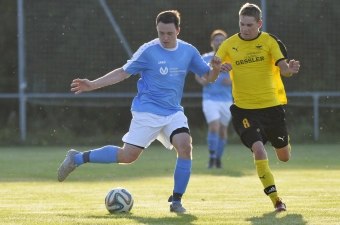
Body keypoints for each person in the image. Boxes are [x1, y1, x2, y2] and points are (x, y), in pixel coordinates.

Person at [57, 10, 231, 213]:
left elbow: (209, 77)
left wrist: (217, 69)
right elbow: (123, 72)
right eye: (161, 33)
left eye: (169, 33)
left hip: (173, 111)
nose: (165, 38)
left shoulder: (189, 51)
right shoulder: (148, 50)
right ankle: (77, 158)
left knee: (185, 146)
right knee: (128, 156)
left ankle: (176, 201)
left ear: (178, 31)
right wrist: (92, 84)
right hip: (147, 111)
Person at [215, 3, 300, 212]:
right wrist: (219, 67)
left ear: (259, 23)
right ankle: (276, 201)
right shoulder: (229, 44)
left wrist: (290, 70)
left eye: (249, 25)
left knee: (284, 157)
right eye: (242, 24)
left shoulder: (270, 41)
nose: (245, 29)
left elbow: (284, 70)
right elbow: (213, 69)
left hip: (271, 108)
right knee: (259, 149)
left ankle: (284, 142)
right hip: (244, 110)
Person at [194, 29, 232, 169]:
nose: (219, 42)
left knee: (223, 130)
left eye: (222, 40)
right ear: (212, 42)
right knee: (214, 126)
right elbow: (197, 74)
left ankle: (218, 159)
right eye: (216, 40)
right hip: (210, 98)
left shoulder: (231, 58)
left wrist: (232, 81)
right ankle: (211, 158)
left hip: (226, 99)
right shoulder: (205, 58)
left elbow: (242, 74)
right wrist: (202, 80)